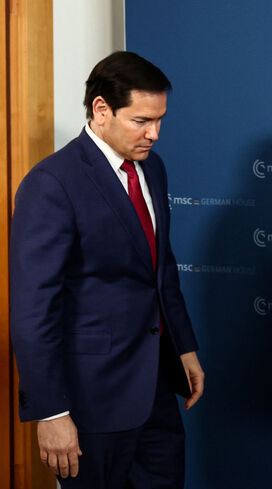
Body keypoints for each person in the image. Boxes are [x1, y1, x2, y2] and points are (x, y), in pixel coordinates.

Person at [10, 51, 203, 488]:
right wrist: (51, 412)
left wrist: (184, 347)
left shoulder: (152, 168)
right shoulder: (52, 183)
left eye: (160, 119)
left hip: (155, 387)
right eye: (141, 121)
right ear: (101, 110)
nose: (154, 133)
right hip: (90, 400)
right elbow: (33, 309)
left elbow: (160, 267)